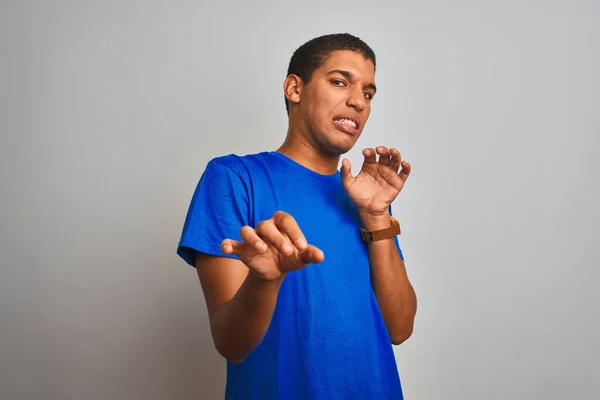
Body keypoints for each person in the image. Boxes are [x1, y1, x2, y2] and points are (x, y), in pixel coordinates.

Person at [177, 33, 417, 400]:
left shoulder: (365, 197)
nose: (357, 101)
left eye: (368, 94)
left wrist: (378, 215)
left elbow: (399, 327)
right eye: (340, 82)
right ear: (294, 88)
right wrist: (265, 281)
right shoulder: (235, 178)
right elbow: (230, 342)